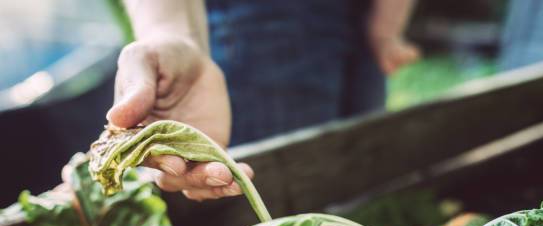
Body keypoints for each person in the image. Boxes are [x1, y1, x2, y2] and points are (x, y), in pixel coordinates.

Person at [106, 0, 418, 202]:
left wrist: (387, 21)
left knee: (362, 186)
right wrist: (171, 33)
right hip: (262, 20)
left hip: (359, 14)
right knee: (283, 208)